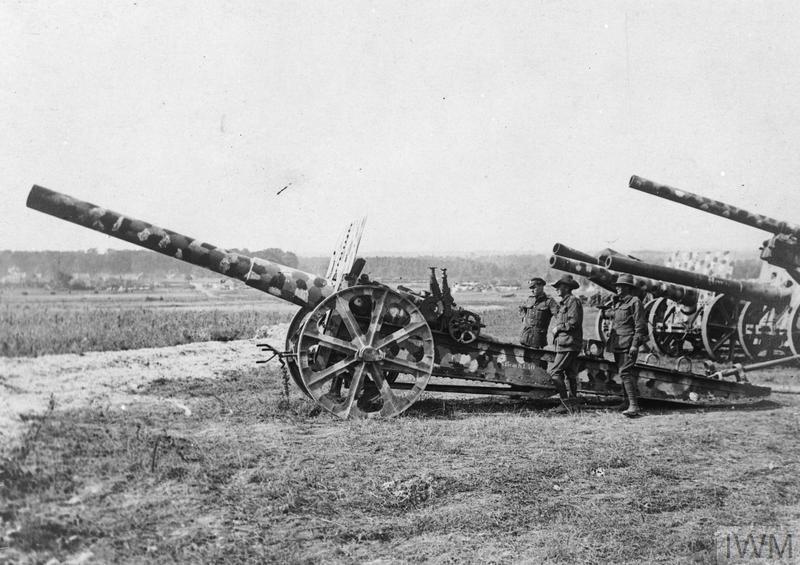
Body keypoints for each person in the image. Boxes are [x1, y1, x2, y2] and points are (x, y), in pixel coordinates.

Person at [607, 274, 648, 418]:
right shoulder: (619, 303)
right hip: (618, 343)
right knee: (622, 372)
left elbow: (640, 326)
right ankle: (626, 402)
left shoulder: (635, 302)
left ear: (628, 288)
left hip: (629, 343)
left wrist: (635, 345)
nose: (617, 288)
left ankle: (634, 405)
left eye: (621, 286)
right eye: (617, 286)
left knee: (625, 372)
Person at [548, 274, 583, 414]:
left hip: (568, 343)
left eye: (559, 286)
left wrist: (558, 328)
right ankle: (573, 404)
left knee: (555, 372)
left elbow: (574, 322)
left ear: (567, 287)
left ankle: (565, 404)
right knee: (570, 374)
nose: (556, 289)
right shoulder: (565, 303)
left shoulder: (573, 301)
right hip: (565, 343)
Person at [519, 277, 559, 348]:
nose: (532, 290)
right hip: (525, 337)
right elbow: (522, 308)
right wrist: (524, 319)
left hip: (538, 340)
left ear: (541, 286)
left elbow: (560, 316)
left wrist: (558, 328)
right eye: (531, 288)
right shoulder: (529, 299)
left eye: (534, 287)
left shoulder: (549, 301)